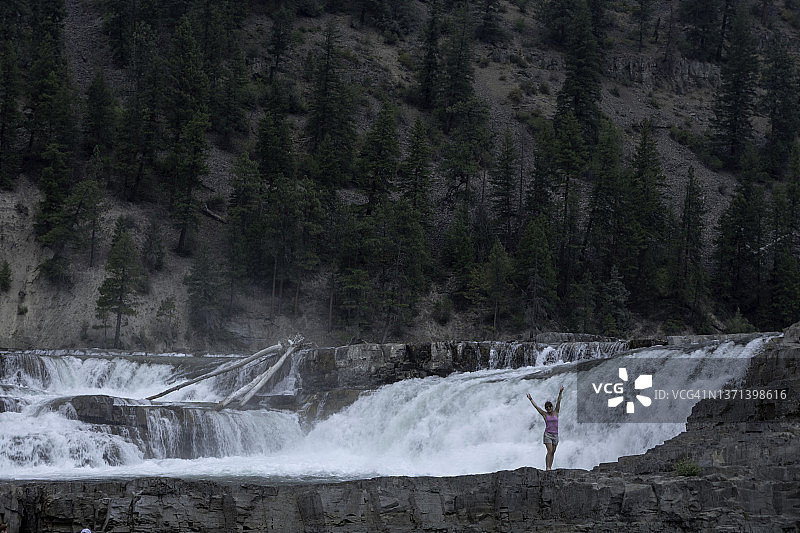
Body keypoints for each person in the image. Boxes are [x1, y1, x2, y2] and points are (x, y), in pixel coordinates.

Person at [526, 384, 564, 470]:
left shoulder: (556, 412)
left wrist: (560, 392)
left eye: (549, 407)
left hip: (555, 435)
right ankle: (547, 467)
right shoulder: (544, 414)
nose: (548, 408)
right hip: (548, 434)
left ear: (552, 407)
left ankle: (550, 467)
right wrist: (530, 399)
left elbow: (559, 401)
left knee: (553, 452)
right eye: (547, 407)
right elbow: (536, 407)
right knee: (549, 451)